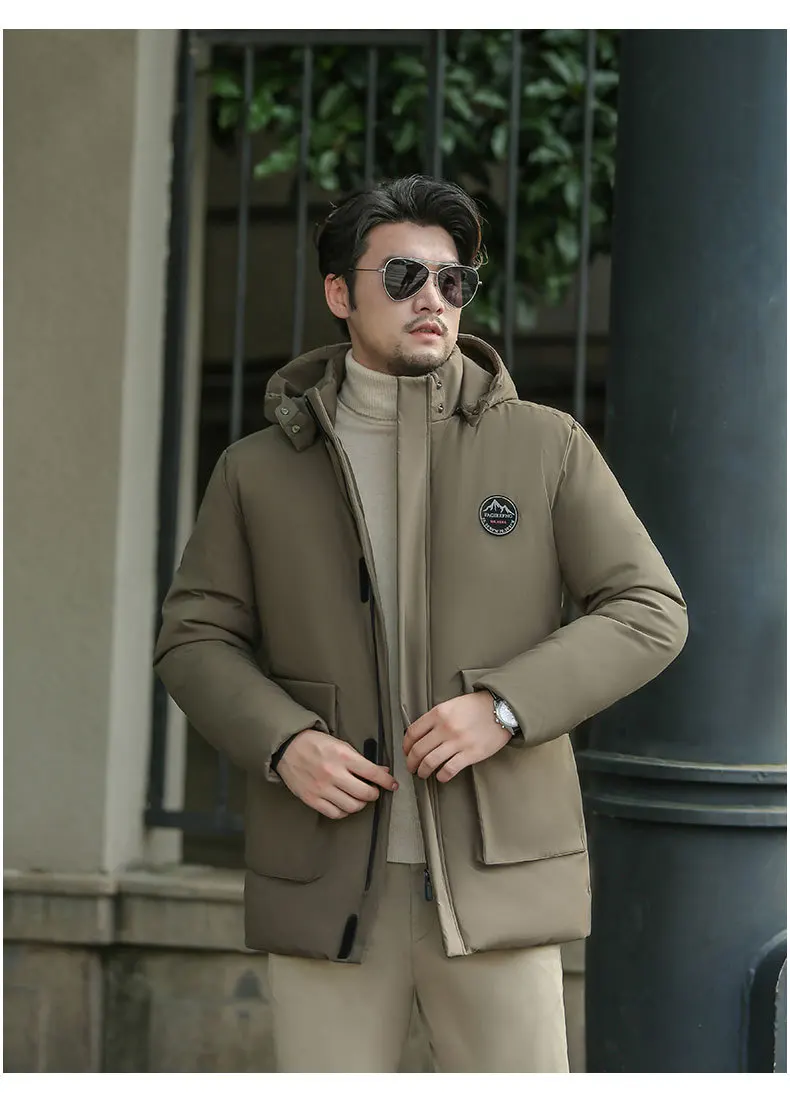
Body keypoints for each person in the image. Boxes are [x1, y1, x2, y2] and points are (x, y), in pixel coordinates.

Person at [153, 174, 688, 1073]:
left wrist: (505, 706)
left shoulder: (545, 444)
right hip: (325, 878)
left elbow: (650, 608)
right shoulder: (257, 470)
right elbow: (193, 638)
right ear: (339, 293)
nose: (432, 298)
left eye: (452, 280)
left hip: (496, 880)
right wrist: (284, 742)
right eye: (402, 276)